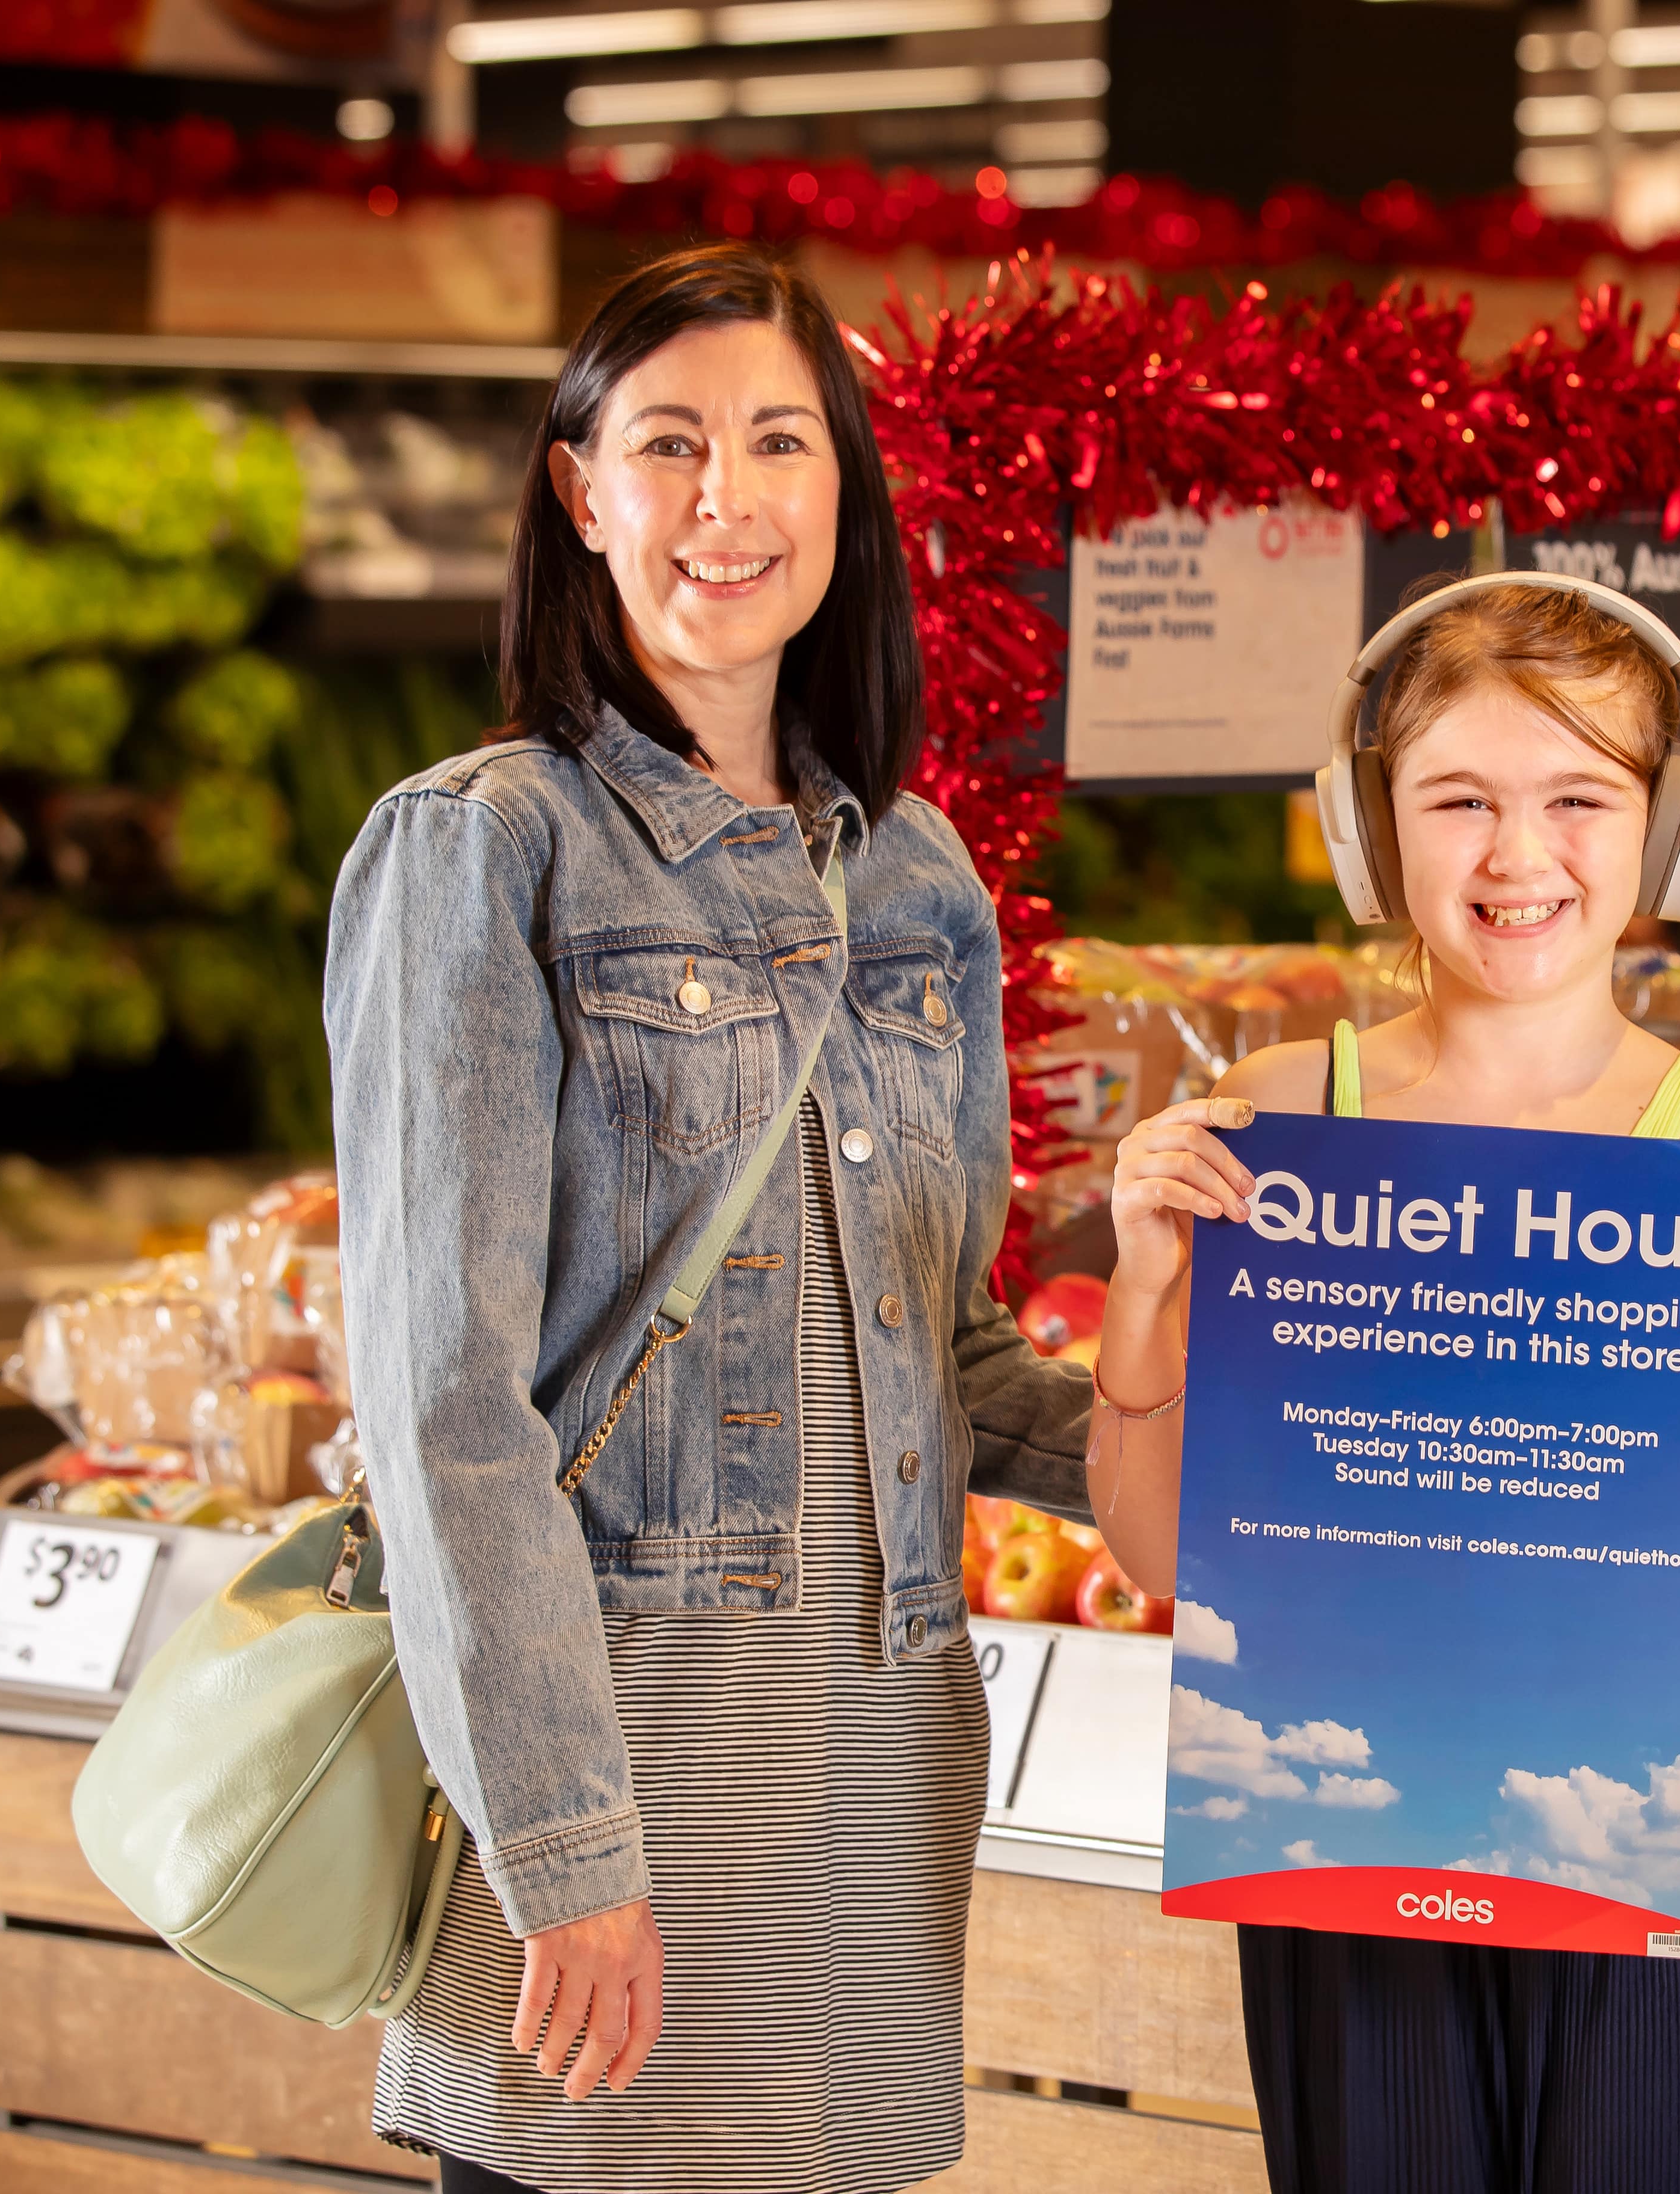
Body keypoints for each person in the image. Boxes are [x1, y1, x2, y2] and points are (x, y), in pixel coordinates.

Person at [324, 242, 1090, 2194]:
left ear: (846, 488)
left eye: (779, 442)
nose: (727, 500)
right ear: (583, 494)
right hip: (622, 1760)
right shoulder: (486, 846)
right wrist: (566, 1848)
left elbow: (956, 1351)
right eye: (669, 445)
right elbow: (448, 1407)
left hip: (875, 1758)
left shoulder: (912, 870)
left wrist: (1256, 1428)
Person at [1083, 575, 1680, 2192]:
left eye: (1580, 799)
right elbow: (1167, 1565)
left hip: (1654, 1817)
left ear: (1668, 834)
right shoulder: (1279, 1118)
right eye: (1461, 801)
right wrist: (1150, 1288)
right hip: (1355, 1825)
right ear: (1372, 833)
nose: (1521, 858)